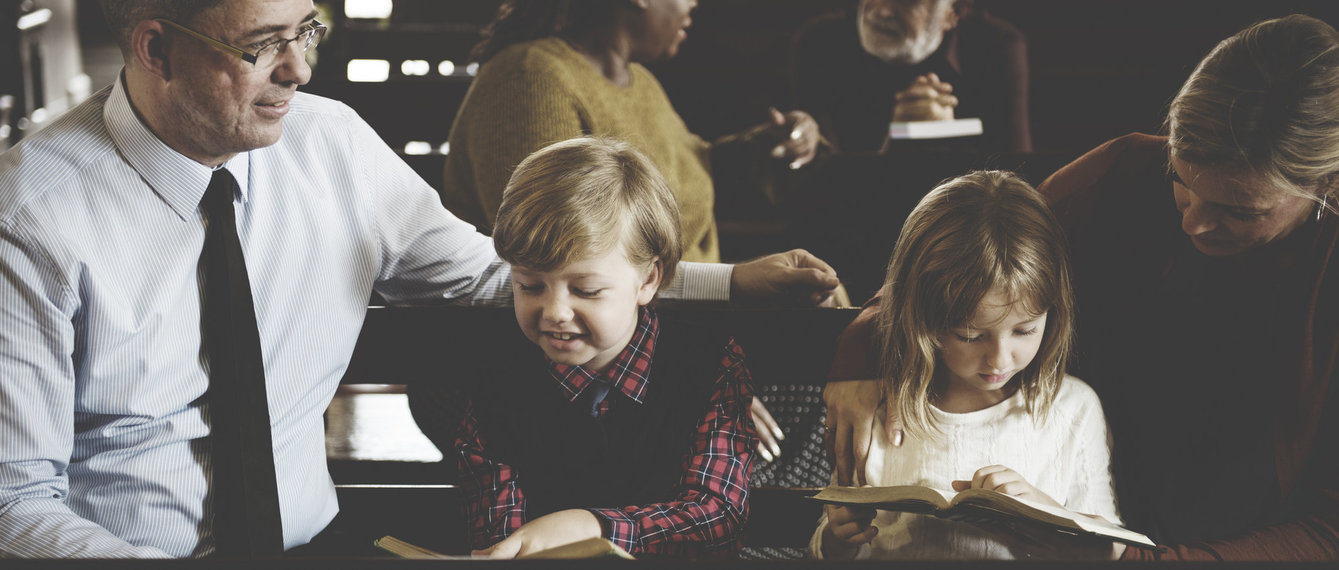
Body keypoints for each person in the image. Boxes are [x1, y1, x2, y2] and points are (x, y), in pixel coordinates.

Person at [0, 0, 838, 558]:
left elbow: (492, 276)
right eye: (261, 48)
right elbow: (15, 499)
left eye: (308, 31)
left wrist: (722, 284)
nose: (298, 70)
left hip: (318, 545)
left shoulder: (332, 145)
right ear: (155, 48)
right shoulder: (31, 215)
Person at [822, 14, 1339, 560]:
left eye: (1238, 211)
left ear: (1327, 183)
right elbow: (970, 252)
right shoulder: (1123, 173)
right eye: (1181, 185)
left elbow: (1328, 532)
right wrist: (861, 351)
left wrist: (1130, 559)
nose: (1192, 224)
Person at [456, 137, 754, 559]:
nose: (556, 311)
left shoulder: (708, 363)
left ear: (648, 280)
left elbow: (718, 515)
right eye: (529, 285)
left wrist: (593, 527)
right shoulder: (498, 374)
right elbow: (498, 530)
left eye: (587, 290)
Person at [810, 171, 1119, 560]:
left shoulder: (1073, 407)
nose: (999, 359)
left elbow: (1109, 547)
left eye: (1025, 330)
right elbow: (827, 543)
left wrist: (1048, 514)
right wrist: (837, 540)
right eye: (971, 337)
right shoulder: (880, 407)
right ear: (923, 320)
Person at [439, 0, 822, 264]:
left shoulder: (642, 83)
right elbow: (565, 262)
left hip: (670, 317)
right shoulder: (531, 78)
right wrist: (733, 284)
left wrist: (772, 146)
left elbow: (687, 170)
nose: (694, 4)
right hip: (580, 348)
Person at [792, 0, 1030, 153]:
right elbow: (825, 191)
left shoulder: (996, 46)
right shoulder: (820, 43)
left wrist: (943, 140)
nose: (882, 10)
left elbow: (1016, 180)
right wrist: (903, 136)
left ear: (952, 13)